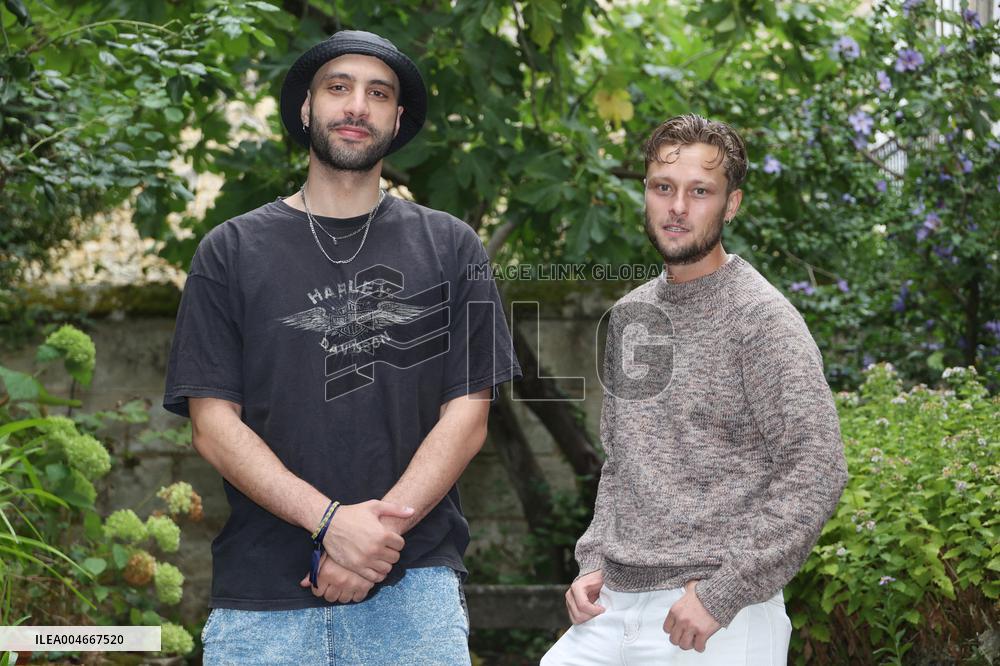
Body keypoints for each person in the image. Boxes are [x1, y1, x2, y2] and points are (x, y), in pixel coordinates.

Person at [163, 29, 520, 665]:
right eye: (339, 88)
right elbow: (213, 427)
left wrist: (375, 540)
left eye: (378, 94)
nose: (357, 106)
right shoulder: (230, 251)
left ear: (397, 119)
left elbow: (467, 418)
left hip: (414, 589)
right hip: (262, 598)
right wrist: (331, 522)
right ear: (306, 109)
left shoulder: (452, 247)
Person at [541, 114, 848, 665]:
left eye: (699, 192)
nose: (677, 207)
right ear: (646, 194)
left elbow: (817, 466)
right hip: (613, 603)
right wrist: (592, 561)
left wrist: (721, 593)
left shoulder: (762, 318)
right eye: (664, 188)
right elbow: (622, 462)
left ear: (731, 205)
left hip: (714, 616)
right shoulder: (632, 315)